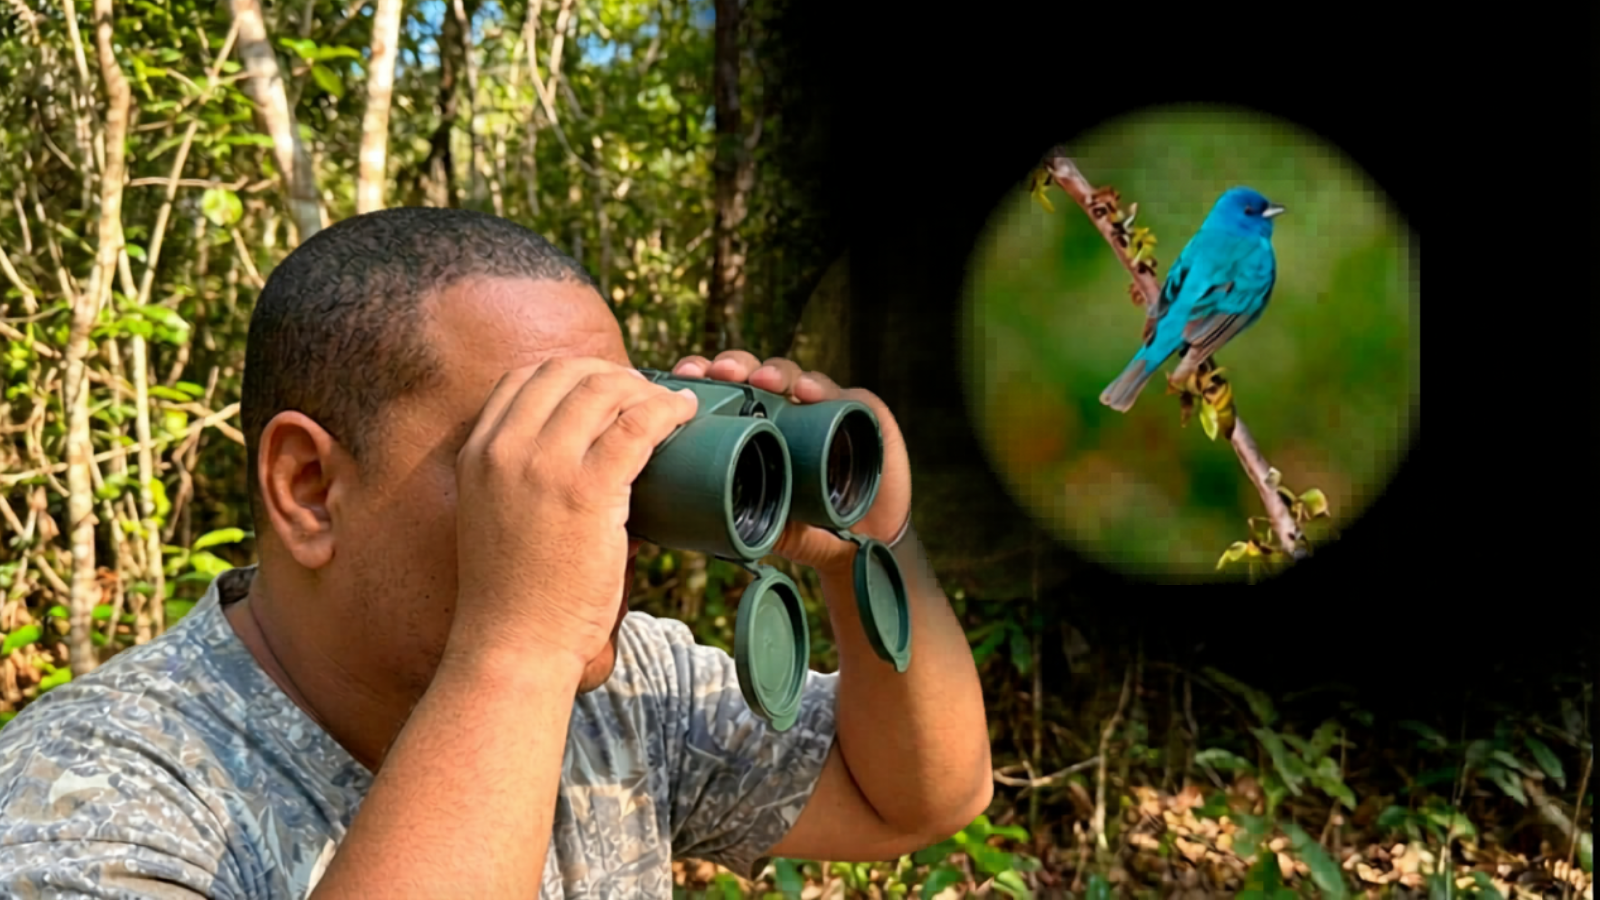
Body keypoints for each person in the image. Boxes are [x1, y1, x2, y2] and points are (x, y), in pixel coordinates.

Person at [0, 207, 992, 899]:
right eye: (522, 450)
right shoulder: (85, 801)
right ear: (309, 488)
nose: (596, 498)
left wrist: (871, 541)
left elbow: (912, 797)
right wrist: (518, 648)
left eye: (613, 441)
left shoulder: (619, 690)